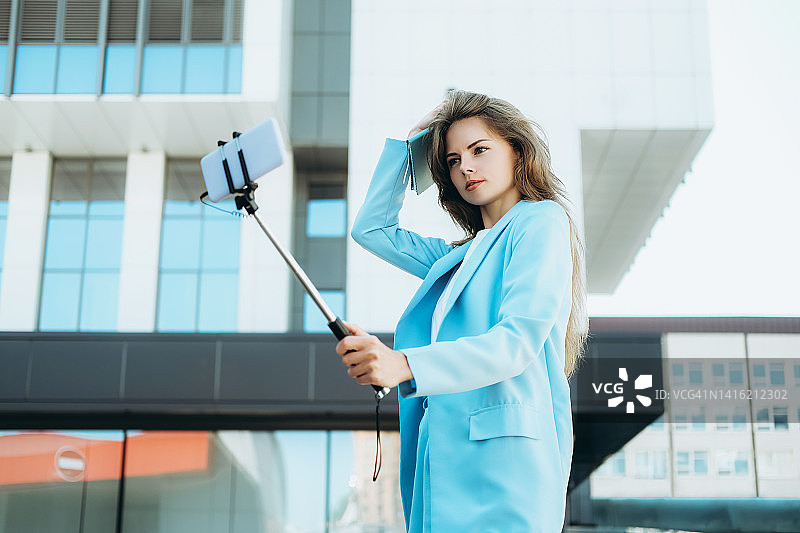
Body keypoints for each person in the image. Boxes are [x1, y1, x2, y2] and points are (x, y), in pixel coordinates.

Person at [335, 90, 588, 532]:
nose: (465, 167)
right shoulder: (455, 257)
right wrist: (412, 150)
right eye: (452, 160)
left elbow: (517, 341)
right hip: (438, 460)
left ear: (517, 151)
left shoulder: (541, 221)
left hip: (505, 465)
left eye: (479, 150)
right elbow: (372, 228)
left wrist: (403, 364)